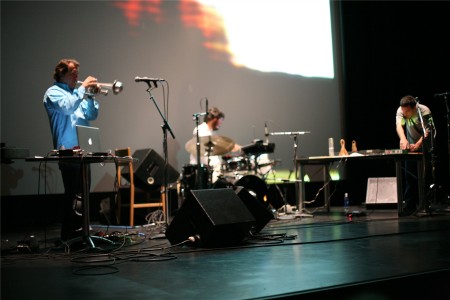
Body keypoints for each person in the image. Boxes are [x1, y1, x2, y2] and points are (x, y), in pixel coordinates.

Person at [43, 58, 100, 241]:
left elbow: (91, 114)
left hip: (83, 151)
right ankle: (68, 237)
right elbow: (68, 107)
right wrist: (83, 90)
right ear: (61, 74)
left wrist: (90, 96)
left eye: (77, 74)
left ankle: (82, 234)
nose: (77, 77)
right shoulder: (53, 93)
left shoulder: (78, 93)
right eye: (73, 73)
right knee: (73, 197)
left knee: (83, 196)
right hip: (68, 152)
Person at [396, 95, 435, 215]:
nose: (405, 113)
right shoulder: (400, 110)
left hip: (426, 145)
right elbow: (399, 126)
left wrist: (418, 145)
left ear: (414, 108)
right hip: (411, 145)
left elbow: (428, 131)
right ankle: (410, 205)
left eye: (407, 111)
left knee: (424, 175)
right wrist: (403, 139)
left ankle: (425, 203)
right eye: (403, 111)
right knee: (410, 175)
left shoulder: (424, 111)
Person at [189, 107, 240, 185]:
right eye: (221, 121)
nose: (221, 123)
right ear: (215, 119)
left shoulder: (212, 133)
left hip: (212, 170)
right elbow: (205, 153)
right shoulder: (200, 130)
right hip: (202, 171)